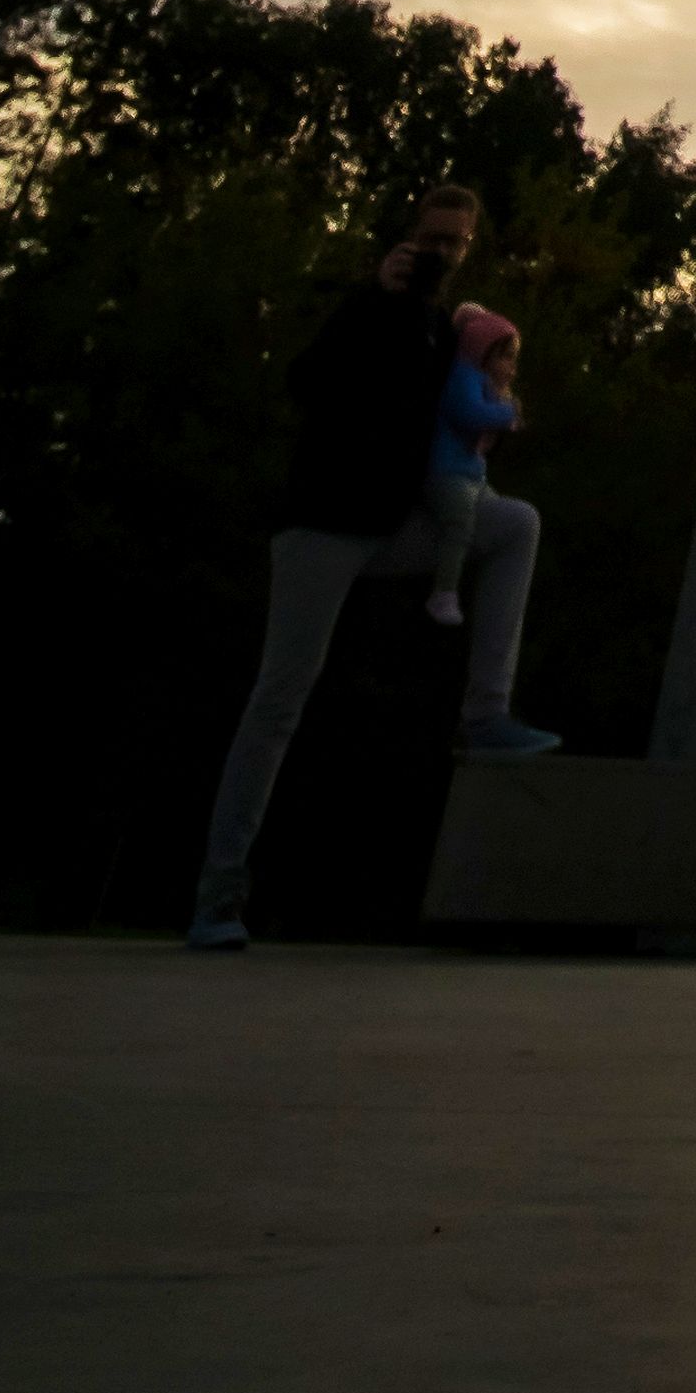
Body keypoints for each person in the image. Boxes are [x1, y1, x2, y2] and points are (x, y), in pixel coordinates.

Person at [186, 182, 559, 952]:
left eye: (458, 242)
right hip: (323, 526)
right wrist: (374, 298)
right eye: (435, 239)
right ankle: (218, 896)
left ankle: (484, 713)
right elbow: (307, 383)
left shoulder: (437, 328)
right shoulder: (370, 307)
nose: (445, 253)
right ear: (407, 239)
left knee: (515, 524)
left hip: (393, 528)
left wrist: (496, 394)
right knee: (280, 699)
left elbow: (451, 416)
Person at [424, 309, 523, 624]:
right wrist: (508, 414)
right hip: (447, 472)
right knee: (459, 528)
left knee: (503, 520)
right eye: (505, 357)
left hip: (470, 474)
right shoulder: (464, 377)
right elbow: (469, 413)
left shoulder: (483, 383)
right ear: (483, 352)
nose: (511, 367)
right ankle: (443, 592)